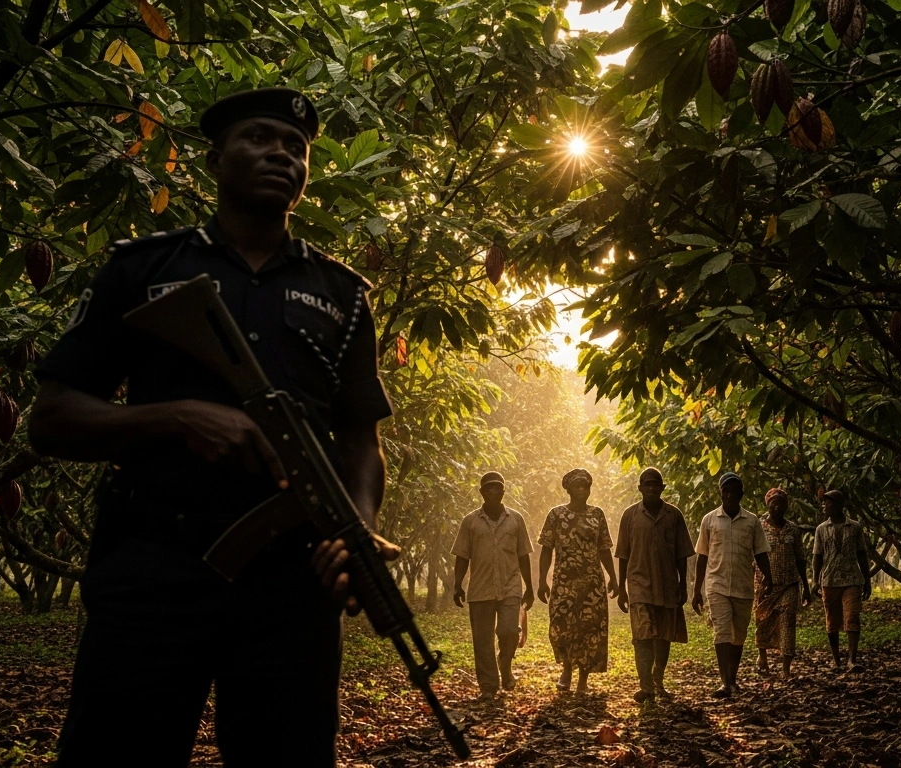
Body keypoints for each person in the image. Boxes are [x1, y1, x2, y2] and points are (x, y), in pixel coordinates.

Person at [28, 88, 397, 766]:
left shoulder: (343, 295)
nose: (281, 155)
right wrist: (176, 417)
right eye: (259, 138)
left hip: (290, 586)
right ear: (214, 159)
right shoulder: (143, 269)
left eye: (296, 147)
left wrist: (358, 529)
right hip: (151, 571)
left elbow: (360, 442)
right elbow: (51, 419)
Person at [450, 471, 535, 702]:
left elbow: (523, 554)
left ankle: (505, 664)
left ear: (503, 491)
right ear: (482, 492)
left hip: (510, 585)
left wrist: (529, 587)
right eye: (489, 489)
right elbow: (462, 556)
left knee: (510, 631)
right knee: (482, 640)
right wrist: (457, 585)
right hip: (480, 587)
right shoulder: (470, 522)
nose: (494, 493)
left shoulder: (516, 519)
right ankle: (488, 685)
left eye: (498, 488)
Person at [614, 467, 694, 703]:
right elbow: (623, 554)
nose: (651, 488)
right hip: (639, 585)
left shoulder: (674, 515)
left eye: (655, 484)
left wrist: (683, 584)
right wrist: (621, 588)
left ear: (662, 488)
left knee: (663, 636)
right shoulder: (630, 515)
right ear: (639, 488)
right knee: (642, 636)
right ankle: (646, 687)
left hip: (667, 584)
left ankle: (658, 680)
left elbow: (682, 553)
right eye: (646, 484)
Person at [537, 468, 618, 694]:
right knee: (562, 624)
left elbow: (604, 548)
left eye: (586, 486)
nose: (582, 489)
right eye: (577, 486)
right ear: (569, 489)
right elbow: (546, 549)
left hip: (592, 582)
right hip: (564, 581)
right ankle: (567, 668)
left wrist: (613, 577)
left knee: (590, 627)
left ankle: (583, 678)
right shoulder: (556, 515)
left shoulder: (597, 514)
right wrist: (542, 580)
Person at [692, 473, 772, 700]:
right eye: (726, 490)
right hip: (716, 585)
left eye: (735, 491)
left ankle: (732, 678)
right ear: (721, 493)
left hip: (743, 586)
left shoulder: (752, 521)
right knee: (722, 632)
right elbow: (702, 556)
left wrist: (769, 578)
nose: (730, 495)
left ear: (741, 494)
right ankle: (725, 683)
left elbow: (760, 552)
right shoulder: (709, 520)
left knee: (739, 635)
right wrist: (697, 590)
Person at [754, 488, 812, 678]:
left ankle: (786, 669)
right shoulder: (758, 527)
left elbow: (800, 558)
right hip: (764, 585)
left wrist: (805, 587)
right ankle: (763, 657)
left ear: (787, 506)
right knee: (762, 621)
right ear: (767, 505)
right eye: (774, 504)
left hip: (789, 585)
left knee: (788, 623)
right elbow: (751, 555)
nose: (777, 507)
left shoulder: (793, 529)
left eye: (781, 504)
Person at [812, 490, 872, 671]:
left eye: (828, 503)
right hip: (829, 580)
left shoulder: (854, 527)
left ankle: (852, 659)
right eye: (823, 503)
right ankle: (836, 659)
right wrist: (815, 580)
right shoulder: (821, 529)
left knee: (852, 617)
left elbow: (862, 554)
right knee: (832, 621)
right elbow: (817, 556)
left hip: (852, 579)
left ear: (838, 505)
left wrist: (867, 579)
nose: (824, 506)